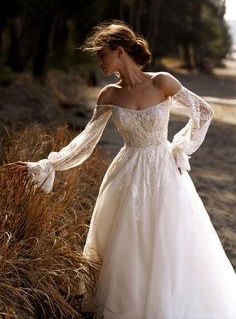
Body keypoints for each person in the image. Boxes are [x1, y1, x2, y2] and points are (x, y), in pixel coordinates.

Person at [10, 21, 236, 319]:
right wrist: (45, 165)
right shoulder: (109, 95)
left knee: (167, 241)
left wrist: (181, 146)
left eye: (102, 54)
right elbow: (84, 143)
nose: (99, 61)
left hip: (165, 174)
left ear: (119, 51)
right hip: (126, 175)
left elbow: (203, 111)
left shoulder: (161, 82)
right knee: (127, 245)